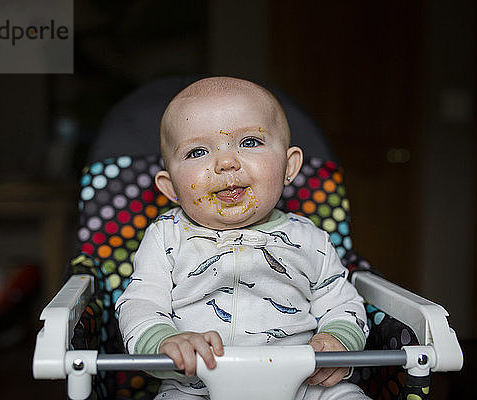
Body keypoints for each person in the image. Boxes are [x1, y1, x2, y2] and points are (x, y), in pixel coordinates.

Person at [116, 76, 370, 400]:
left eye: (249, 142)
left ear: (289, 166)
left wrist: (338, 339)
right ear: (171, 188)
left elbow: (342, 302)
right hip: (196, 386)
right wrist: (164, 341)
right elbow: (140, 302)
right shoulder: (167, 237)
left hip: (305, 387)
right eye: (197, 152)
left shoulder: (309, 239)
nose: (225, 162)